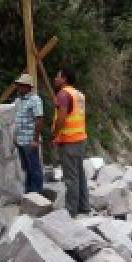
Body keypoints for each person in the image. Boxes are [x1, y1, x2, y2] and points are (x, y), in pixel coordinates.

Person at [52, 67, 89, 216]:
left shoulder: (63, 94)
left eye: (57, 76)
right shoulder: (78, 94)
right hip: (80, 138)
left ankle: (71, 210)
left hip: (68, 140)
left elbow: (61, 118)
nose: (55, 78)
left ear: (64, 79)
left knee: (71, 177)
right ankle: (84, 206)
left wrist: (55, 134)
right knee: (80, 174)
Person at [12, 73, 45, 194]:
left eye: (21, 85)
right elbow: (17, 120)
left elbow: (39, 119)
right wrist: (15, 137)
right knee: (27, 168)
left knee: (34, 168)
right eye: (18, 85)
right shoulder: (18, 101)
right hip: (21, 141)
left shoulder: (35, 100)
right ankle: (29, 193)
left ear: (27, 87)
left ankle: (37, 194)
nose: (18, 87)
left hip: (30, 141)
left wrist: (35, 140)